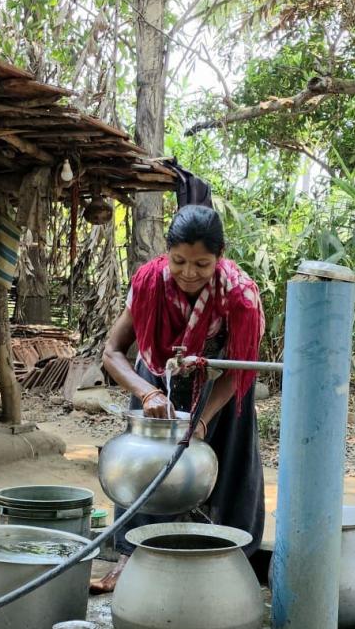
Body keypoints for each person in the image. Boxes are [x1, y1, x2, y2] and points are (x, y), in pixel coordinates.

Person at [90, 205, 266, 594]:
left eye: (202, 264)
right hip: (157, 380)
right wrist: (147, 391)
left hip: (221, 387)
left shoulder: (240, 296)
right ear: (166, 253)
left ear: (220, 257)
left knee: (228, 470)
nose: (188, 273)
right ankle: (129, 559)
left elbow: (242, 369)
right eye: (179, 261)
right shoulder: (149, 284)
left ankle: (231, 564)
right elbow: (112, 353)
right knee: (145, 469)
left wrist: (202, 421)